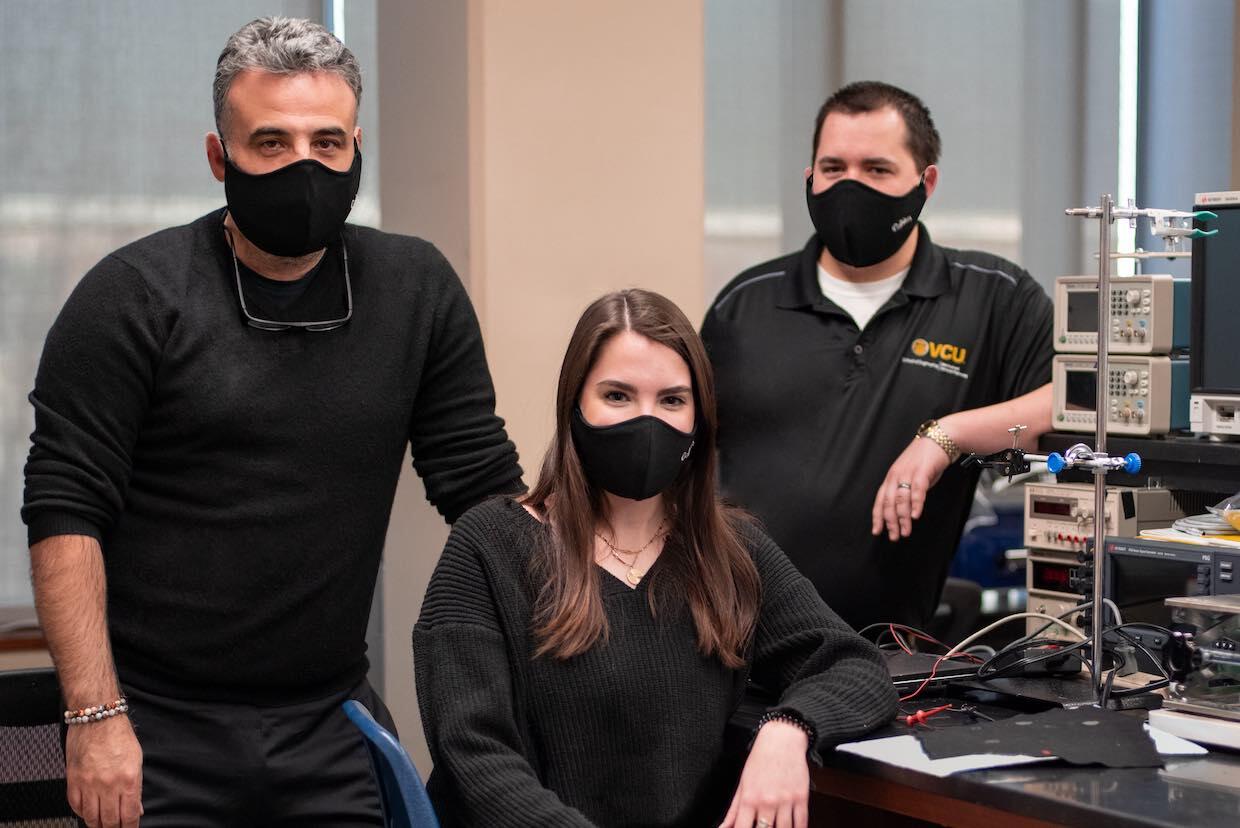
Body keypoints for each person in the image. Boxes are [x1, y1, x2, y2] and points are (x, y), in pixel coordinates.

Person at [21, 17, 522, 828]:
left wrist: (605, 584)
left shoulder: (415, 289)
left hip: (331, 721)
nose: (304, 167)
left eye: (327, 143)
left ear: (357, 148)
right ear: (219, 158)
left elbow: (483, 492)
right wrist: (94, 718)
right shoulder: (133, 296)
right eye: (271, 143)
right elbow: (64, 509)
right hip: (154, 727)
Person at [414, 289, 897, 828]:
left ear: (699, 419)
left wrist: (788, 729)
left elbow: (855, 666)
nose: (647, 421)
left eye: (672, 401)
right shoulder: (488, 544)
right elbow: (473, 754)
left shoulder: (731, 550)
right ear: (574, 406)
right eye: (617, 395)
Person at [702, 81, 1053, 631]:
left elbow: (1073, 403)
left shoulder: (993, 299)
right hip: (735, 637)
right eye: (834, 168)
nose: (851, 186)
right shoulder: (745, 304)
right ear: (810, 178)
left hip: (888, 650)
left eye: (876, 169)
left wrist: (946, 436)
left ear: (925, 182)